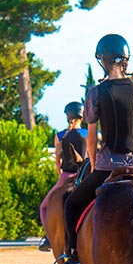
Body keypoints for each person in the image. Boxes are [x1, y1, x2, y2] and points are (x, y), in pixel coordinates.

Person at [52, 33, 133, 264]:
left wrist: (93, 163)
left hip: (107, 166)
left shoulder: (95, 93)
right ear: (126, 59)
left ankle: (72, 256)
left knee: (71, 204)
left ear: (102, 60)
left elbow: (92, 139)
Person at [38, 101, 89, 250]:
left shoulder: (60, 136)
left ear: (68, 116)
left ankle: (48, 237)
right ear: (82, 115)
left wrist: (61, 175)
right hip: (84, 176)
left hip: (66, 176)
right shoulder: (88, 134)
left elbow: (57, 162)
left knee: (44, 207)